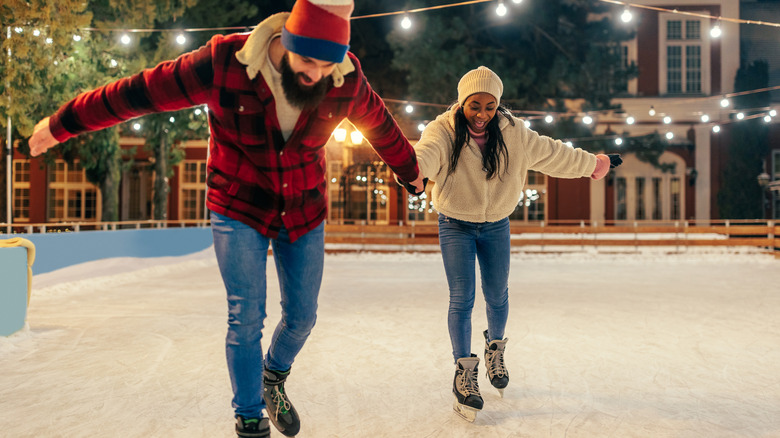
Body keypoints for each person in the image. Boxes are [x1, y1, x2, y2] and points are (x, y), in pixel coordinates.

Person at [28, 1, 425, 437]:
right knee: (246, 316)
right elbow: (135, 93)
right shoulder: (224, 63)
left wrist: (412, 175)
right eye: (307, 60)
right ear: (286, 41)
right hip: (238, 205)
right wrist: (62, 124)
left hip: (303, 207)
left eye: (326, 65)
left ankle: (272, 375)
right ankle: (250, 416)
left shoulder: (344, 77)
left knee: (303, 317)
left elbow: (383, 128)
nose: (315, 74)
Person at [406, 66, 621, 422]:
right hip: (455, 223)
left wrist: (593, 164)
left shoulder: (514, 133)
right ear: (462, 103)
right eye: (475, 105)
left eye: (490, 106)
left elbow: (554, 154)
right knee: (462, 297)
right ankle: (464, 373)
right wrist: (415, 170)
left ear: (498, 105)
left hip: (496, 225)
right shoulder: (443, 130)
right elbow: (427, 153)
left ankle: (494, 350)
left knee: (497, 293)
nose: (482, 114)